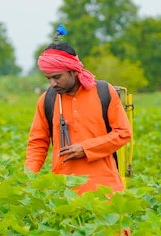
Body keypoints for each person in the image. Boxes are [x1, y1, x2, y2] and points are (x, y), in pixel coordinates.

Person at [25, 42, 132, 195]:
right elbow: (37, 143)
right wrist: (29, 176)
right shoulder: (47, 99)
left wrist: (85, 148)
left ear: (74, 71)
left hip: (106, 191)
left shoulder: (103, 92)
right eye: (48, 78)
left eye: (57, 77)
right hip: (64, 193)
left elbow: (123, 133)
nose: (52, 84)